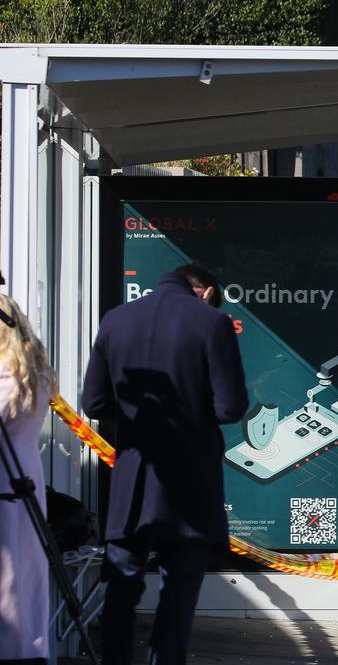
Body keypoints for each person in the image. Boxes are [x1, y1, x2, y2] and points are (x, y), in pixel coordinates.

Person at [83, 263, 248, 665]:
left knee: (120, 584)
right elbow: (230, 408)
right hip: (189, 481)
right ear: (206, 292)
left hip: (133, 477)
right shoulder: (212, 324)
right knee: (180, 587)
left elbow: (94, 404)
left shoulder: (116, 320)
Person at [0, 293, 56, 665]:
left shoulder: (7, 377)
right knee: (23, 571)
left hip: (5, 479)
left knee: (9, 575)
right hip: (24, 472)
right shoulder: (34, 373)